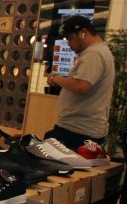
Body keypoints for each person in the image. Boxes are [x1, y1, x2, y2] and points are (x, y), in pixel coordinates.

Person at [44, 15, 115, 150]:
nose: (69, 45)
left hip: (78, 130)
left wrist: (55, 78)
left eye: (70, 39)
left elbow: (82, 86)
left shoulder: (93, 53)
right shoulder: (100, 51)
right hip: (81, 128)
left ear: (83, 33)